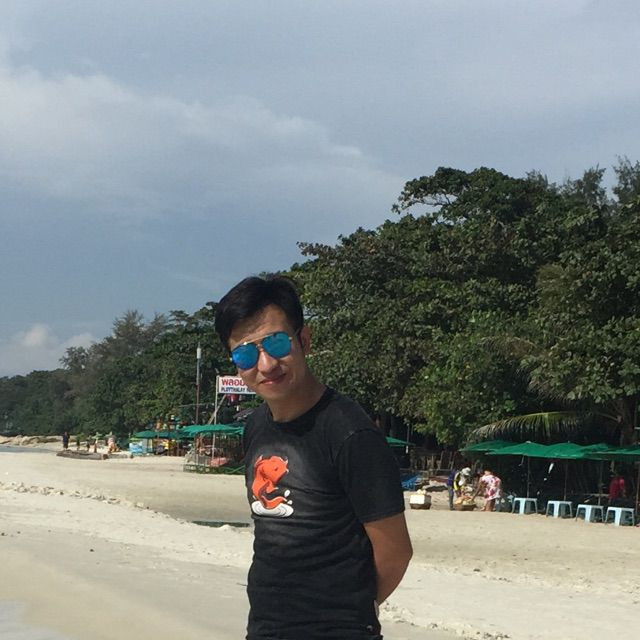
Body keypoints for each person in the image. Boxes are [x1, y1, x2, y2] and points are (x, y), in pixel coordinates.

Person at [214, 275, 412, 640]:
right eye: (245, 354)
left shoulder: (350, 433)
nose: (266, 364)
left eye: (276, 343)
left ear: (304, 340)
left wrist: (351, 612)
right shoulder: (256, 426)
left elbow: (395, 551)